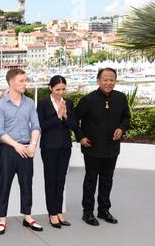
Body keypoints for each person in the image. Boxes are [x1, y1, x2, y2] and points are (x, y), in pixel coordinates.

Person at [75, 68, 130, 226]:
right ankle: (88, 212)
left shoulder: (120, 98)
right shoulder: (88, 100)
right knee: (91, 179)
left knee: (107, 179)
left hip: (112, 147)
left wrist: (122, 128)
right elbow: (74, 120)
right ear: (98, 81)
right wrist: (81, 137)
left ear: (115, 81)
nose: (108, 82)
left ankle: (104, 210)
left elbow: (126, 117)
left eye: (111, 79)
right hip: (92, 147)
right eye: (105, 79)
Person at [0, 69, 42, 234]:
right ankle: (2, 220)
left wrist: (33, 145)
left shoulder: (29, 103)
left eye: (25, 80)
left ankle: (28, 217)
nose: (24, 83)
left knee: (27, 183)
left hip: (27, 148)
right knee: (4, 184)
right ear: (11, 82)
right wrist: (16, 145)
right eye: (21, 81)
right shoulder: (1, 105)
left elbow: (35, 126)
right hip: (8, 149)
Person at [37, 76, 81, 228]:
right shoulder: (42, 103)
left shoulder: (68, 103)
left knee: (61, 180)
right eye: (57, 89)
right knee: (50, 180)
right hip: (49, 147)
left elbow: (74, 125)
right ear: (50, 88)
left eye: (63, 89)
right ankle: (52, 213)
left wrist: (66, 116)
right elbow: (41, 126)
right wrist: (58, 116)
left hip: (64, 146)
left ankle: (59, 210)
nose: (60, 92)